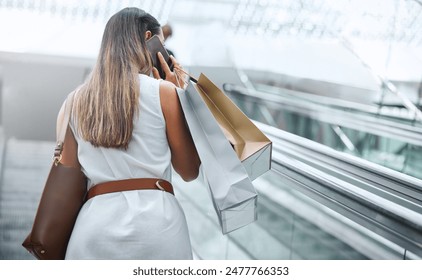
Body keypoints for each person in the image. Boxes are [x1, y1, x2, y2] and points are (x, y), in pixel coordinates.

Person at [57, 7, 200, 259]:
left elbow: (66, 174)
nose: (163, 54)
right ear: (148, 38)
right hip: (158, 227)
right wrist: (181, 98)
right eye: (161, 46)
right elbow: (189, 171)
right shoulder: (164, 93)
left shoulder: (74, 102)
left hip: (93, 227)